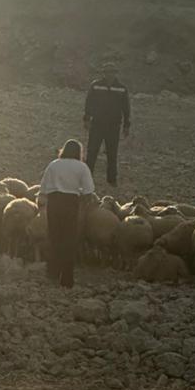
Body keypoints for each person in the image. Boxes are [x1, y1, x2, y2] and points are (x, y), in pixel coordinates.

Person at [38, 140, 95, 288]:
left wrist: (42, 202)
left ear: (64, 150)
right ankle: (67, 278)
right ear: (79, 152)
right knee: (69, 239)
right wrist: (83, 205)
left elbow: (43, 187)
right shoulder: (82, 167)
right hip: (71, 203)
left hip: (54, 202)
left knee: (54, 236)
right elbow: (89, 190)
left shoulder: (54, 164)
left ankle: (52, 273)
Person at [83, 62, 131, 188]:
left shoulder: (122, 88)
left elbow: (126, 107)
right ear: (103, 73)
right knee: (92, 151)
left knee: (112, 153)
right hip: (97, 124)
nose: (109, 74)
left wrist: (126, 125)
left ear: (115, 73)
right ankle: (86, 178)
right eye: (107, 72)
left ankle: (111, 179)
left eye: (112, 72)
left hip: (113, 126)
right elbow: (89, 102)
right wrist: (86, 118)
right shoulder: (96, 85)